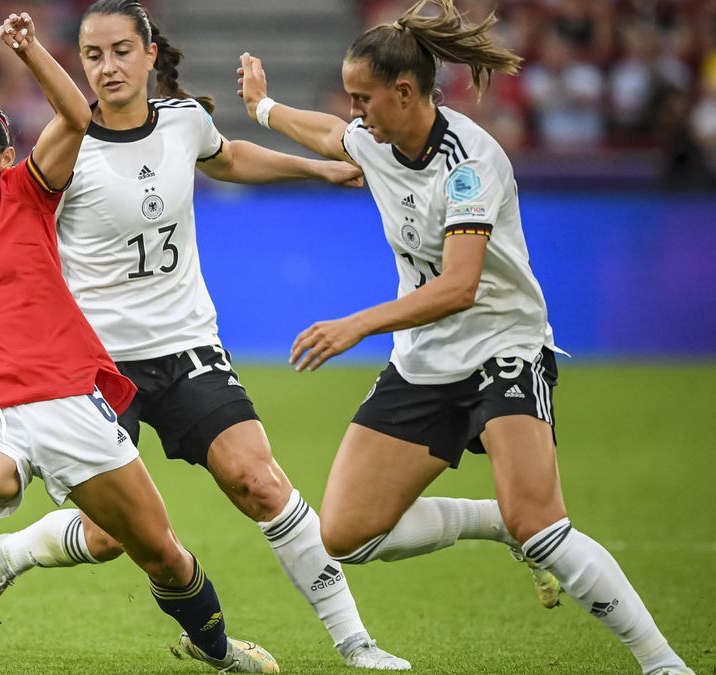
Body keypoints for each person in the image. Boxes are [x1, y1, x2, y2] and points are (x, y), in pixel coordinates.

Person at [0, 1, 417, 669]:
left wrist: (317, 169)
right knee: (113, 535)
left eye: (120, 50)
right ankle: (10, 551)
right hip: (98, 365)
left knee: (258, 481)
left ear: (149, 54)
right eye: (92, 56)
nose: (107, 66)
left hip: (187, 345)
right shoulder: (67, 147)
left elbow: (226, 157)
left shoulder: (183, 122)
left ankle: (356, 642)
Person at [236, 1, 693, 673]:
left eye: (365, 97)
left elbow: (460, 287)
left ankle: (662, 662)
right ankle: (494, 519)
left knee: (543, 523)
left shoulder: (471, 162)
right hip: (425, 358)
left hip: (501, 346)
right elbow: (331, 132)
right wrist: (263, 109)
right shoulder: (375, 137)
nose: (355, 111)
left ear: (404, 91)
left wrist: (356, 323)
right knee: (346, 533)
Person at [0, 12, 278, 674]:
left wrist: (29, 50)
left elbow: (76, 115)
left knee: (156, 549)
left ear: (5, 159)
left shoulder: (30, 194)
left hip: (69, 401)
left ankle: (217, 648)